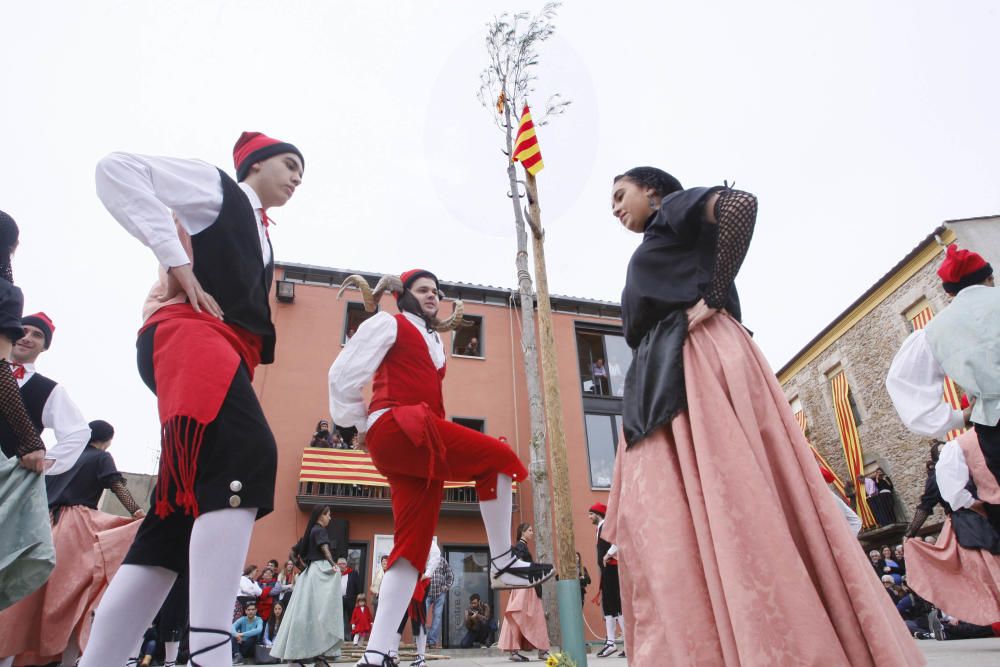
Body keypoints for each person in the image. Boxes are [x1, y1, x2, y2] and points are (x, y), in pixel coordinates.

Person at [602, 167, 924, 666]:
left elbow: (739, 204)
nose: (616, 208)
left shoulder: (674, 211)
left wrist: (713, 292)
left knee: (732, 497)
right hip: (664, 370)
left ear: (654, 191)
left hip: (694, 360)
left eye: (621, 195)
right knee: (678, 523)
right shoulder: (662, 235)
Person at [80, 131, 304, 667]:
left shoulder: (263, 235)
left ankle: (101, 659)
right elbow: (117, 166)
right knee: (250, 454)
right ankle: (209, 652)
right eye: (290, 164)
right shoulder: (217, 189)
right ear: (254, 164)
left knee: (176, 515)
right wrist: (173, 256)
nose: (297, 177)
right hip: (192, 337)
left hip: (216, 352)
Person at [329, 268, 552, 667]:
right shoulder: (389, 323)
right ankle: (502, 562)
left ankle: (376, 653)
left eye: (436, 291)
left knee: (411, 552)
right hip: (403, 426)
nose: (433, 296)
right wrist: (359, 425)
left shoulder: (433, 340)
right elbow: (342, 376)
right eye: (423, 290)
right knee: (499, 458)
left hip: (421, 447)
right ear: (403, 294)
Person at [0, 419, 145, 666]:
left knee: (25, 599)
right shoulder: (101, 458)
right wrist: (138, 512)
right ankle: (68, 660)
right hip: (75, 526)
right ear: (108, 439)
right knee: (75, 600)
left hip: (43, 524)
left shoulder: (64, 457)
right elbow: (115, 485)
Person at [3, 311, 91, 477]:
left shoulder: (49, 390)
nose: (27, 337)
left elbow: (78, 431)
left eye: (37, 335)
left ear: (44, 346)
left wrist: (48, 461)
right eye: (23, 330)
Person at [270, 505, 343, 666]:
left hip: (309, 574)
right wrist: (333, 565)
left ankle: (300, 657)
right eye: (328, 515)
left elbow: (292, 553)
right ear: (320, 516)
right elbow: (325, 549)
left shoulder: (308, 534)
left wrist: (303, 568)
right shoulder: (319, 531)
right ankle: (319, 657)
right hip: (319, 572)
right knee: (321, 615)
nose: (330, 518)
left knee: (304, 616)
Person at [498, 524, 551, 662]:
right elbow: (519, 566)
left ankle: (521, 650)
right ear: (522, 532)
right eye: (530, 530)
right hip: (525, 587)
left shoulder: (521, 546)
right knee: (527, 615)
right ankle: (541, 650)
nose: (532, 533)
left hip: (524, 586)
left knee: (523, 616)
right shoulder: (520, 547)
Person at [588, 503, 624, 658]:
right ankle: (610, 642)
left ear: (598, 514)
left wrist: (607, 554)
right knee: (608, 606)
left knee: (616, 605)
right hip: (606, 571)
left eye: (591, 514)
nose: (589, 517)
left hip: (611, 570)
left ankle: (628, 642)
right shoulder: (600, 528)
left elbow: (618, 541)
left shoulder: (606, 526)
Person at [424, 550, 454, 649]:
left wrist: (445, 588)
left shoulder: (442, 560)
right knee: (421, 616)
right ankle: (421, 640)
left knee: (437, 617)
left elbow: (450, 575)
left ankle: (432, 641)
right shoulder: (424, 560)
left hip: (440, 593)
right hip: (426, 593)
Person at [231, 601, 263, 665]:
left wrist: (242, 634)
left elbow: (258, 630)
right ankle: (238, 655)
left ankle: (239, 656)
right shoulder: (242, 619)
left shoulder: (259, 620)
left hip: (252, 647)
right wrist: (237, 635)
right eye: (248, 610)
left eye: (252, 609)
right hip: (242, 644)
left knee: (253, 637)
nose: (250, 611)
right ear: (245, 611)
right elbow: (232, 627)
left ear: (256, 610)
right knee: (233, 636)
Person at [339, 557, 363, 639]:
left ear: (346, 565)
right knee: (339, 619)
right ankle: (341, 637)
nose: (341, 566)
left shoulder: (353, 573)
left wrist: (358, 599)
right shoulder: (335, 574)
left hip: (350, 600)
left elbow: (358, 587)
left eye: (342, 564)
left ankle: (351, 637)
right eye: (339, 564)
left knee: (351, 619)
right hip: (338, 600)